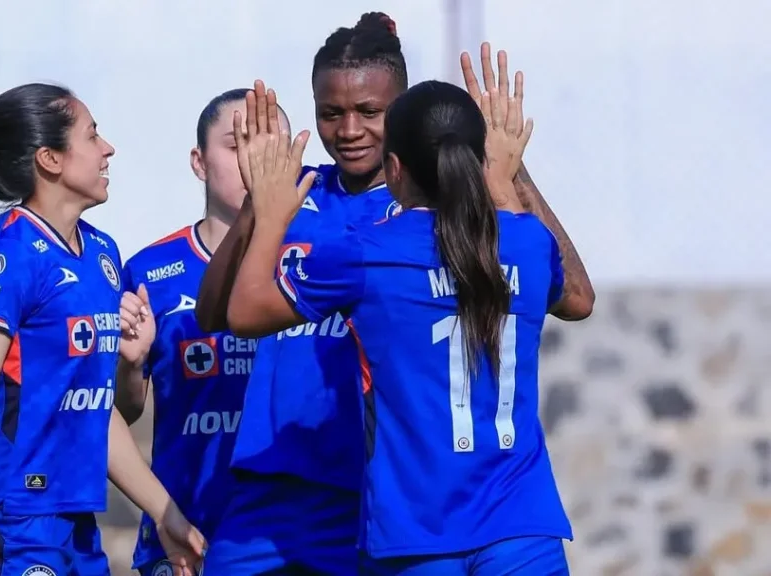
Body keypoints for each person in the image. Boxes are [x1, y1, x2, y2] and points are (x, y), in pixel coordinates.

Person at [224, 60, 593, 576]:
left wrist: (268, 213)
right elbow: (579, 299)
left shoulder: (368, 252)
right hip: (522, 530)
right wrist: (512, 177)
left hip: (416, 535)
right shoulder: (528, 242)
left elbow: (243, 312)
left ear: (394, 169)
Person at [0, 83, 205, 576]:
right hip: (14, 524)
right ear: (50, 159)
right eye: (92, 135)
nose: (108, 149)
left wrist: (166, 513)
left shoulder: (102, 254)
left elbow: (100, 411)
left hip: (77, 524)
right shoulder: (9, 257)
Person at [195, 13, 408, 575]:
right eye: (331, 113)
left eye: (369, 112)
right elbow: (213, 313)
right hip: (270, 482)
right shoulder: (297, 192)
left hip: (369, 488)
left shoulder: (419, 212)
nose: (349, 130)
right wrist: (257, 207)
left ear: (401, 110)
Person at [115, 89, 290, 576]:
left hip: (286, 540)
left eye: (267, 144)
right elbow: (124, 411)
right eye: (237, 145)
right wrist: (130, 364)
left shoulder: (314, 263)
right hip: (184, 538)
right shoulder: (150, 270)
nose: (254, 160)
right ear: (199, 161)